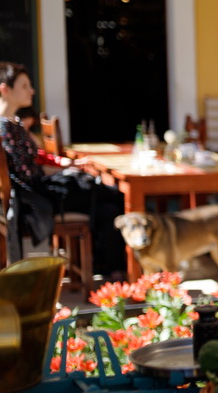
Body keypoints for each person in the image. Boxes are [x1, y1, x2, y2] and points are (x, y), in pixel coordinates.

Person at [0, 62, 126, 276]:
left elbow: (33, 157)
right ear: (5, 89)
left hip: (40, 192)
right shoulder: (4, 128)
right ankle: (116, 267)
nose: (32, 91)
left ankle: (108, 266)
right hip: (35, 200)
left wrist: (63, 164)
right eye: (24, 86)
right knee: (114, 194)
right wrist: (60, 170)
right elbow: (27, 172)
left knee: (108, 208)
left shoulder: (13, 123)